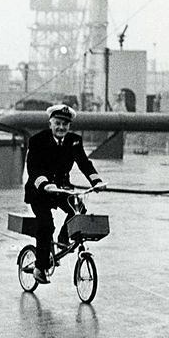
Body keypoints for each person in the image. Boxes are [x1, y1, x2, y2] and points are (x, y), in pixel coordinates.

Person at [23, 104, 105, 284]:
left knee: (79, 210)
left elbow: (84, 163)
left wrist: (96, 181)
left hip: (61, 189)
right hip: (39, 190)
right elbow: (33, 168)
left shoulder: (74, 141)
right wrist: (44, 184)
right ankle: (40, 267)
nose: (61, 128)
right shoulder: (37, 140)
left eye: (65, 125)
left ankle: (63, 237)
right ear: (50, 123)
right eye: (58, 123)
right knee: (46, 225)